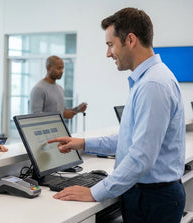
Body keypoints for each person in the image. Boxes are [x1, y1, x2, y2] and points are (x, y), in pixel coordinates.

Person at [47, 8, 186, 222]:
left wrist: (94, 192)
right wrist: (83, 143)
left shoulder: (153, 84)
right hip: (148, 195)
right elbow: (128, 140)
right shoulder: (146, 81)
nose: (108, 53)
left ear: (130, 40)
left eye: (110, 45)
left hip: (152, 199)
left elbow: (141, 158)